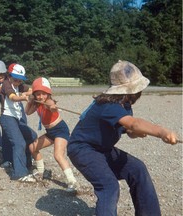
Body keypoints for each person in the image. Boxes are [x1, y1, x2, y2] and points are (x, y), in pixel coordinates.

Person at [67, 60, 178, 216]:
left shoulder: (123, 104)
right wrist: (162, 132)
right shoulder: (108, 105)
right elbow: (133, 123)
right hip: (83, 149)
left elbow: (129, 128)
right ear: (133, 91)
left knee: (137, 169)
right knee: (108, 185)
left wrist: (135, 133)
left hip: (102, 149)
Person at [25, 77, 78, 191]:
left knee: (58, 155)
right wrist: (30, 101)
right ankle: (40, 172)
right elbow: (27, 112)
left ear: (48, 93)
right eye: (38, 94)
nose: (41, 97)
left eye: (44, 94)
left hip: (60, 130)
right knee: (32, 147)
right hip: (50, 132)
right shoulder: (37, 104)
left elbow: (51, 106)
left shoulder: (48, 102)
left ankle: (72, 181)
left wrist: (52, 107)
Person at [0, 63, 37, 182]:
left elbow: (31, 89)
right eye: (16, 79)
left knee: (32, 135)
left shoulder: (19, 85)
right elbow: (12, 97)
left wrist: (30, 93)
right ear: (9, 76)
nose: (18, 82)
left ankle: (26, 162)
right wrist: (23, 97)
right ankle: (20, 174)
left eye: (20, 80)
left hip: (17, 118)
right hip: (7, 117)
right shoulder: (6, 84)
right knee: (19, 143)